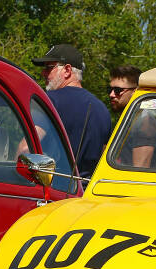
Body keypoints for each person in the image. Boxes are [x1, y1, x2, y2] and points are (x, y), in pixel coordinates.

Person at [32, 44, 111, 177]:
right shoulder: (102, 109)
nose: (43, 73)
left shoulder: (50, 100)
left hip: (54, 186)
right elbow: (104, 160)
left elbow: (26, 147)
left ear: (67, 70)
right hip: (87, 188)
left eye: (48, 68)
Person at [109, 65, 156, 167]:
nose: (111, 94)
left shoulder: (145, 122)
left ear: (135, 92)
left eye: (117, 90)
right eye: (109, 89)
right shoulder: (130, 119)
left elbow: (140, 169)